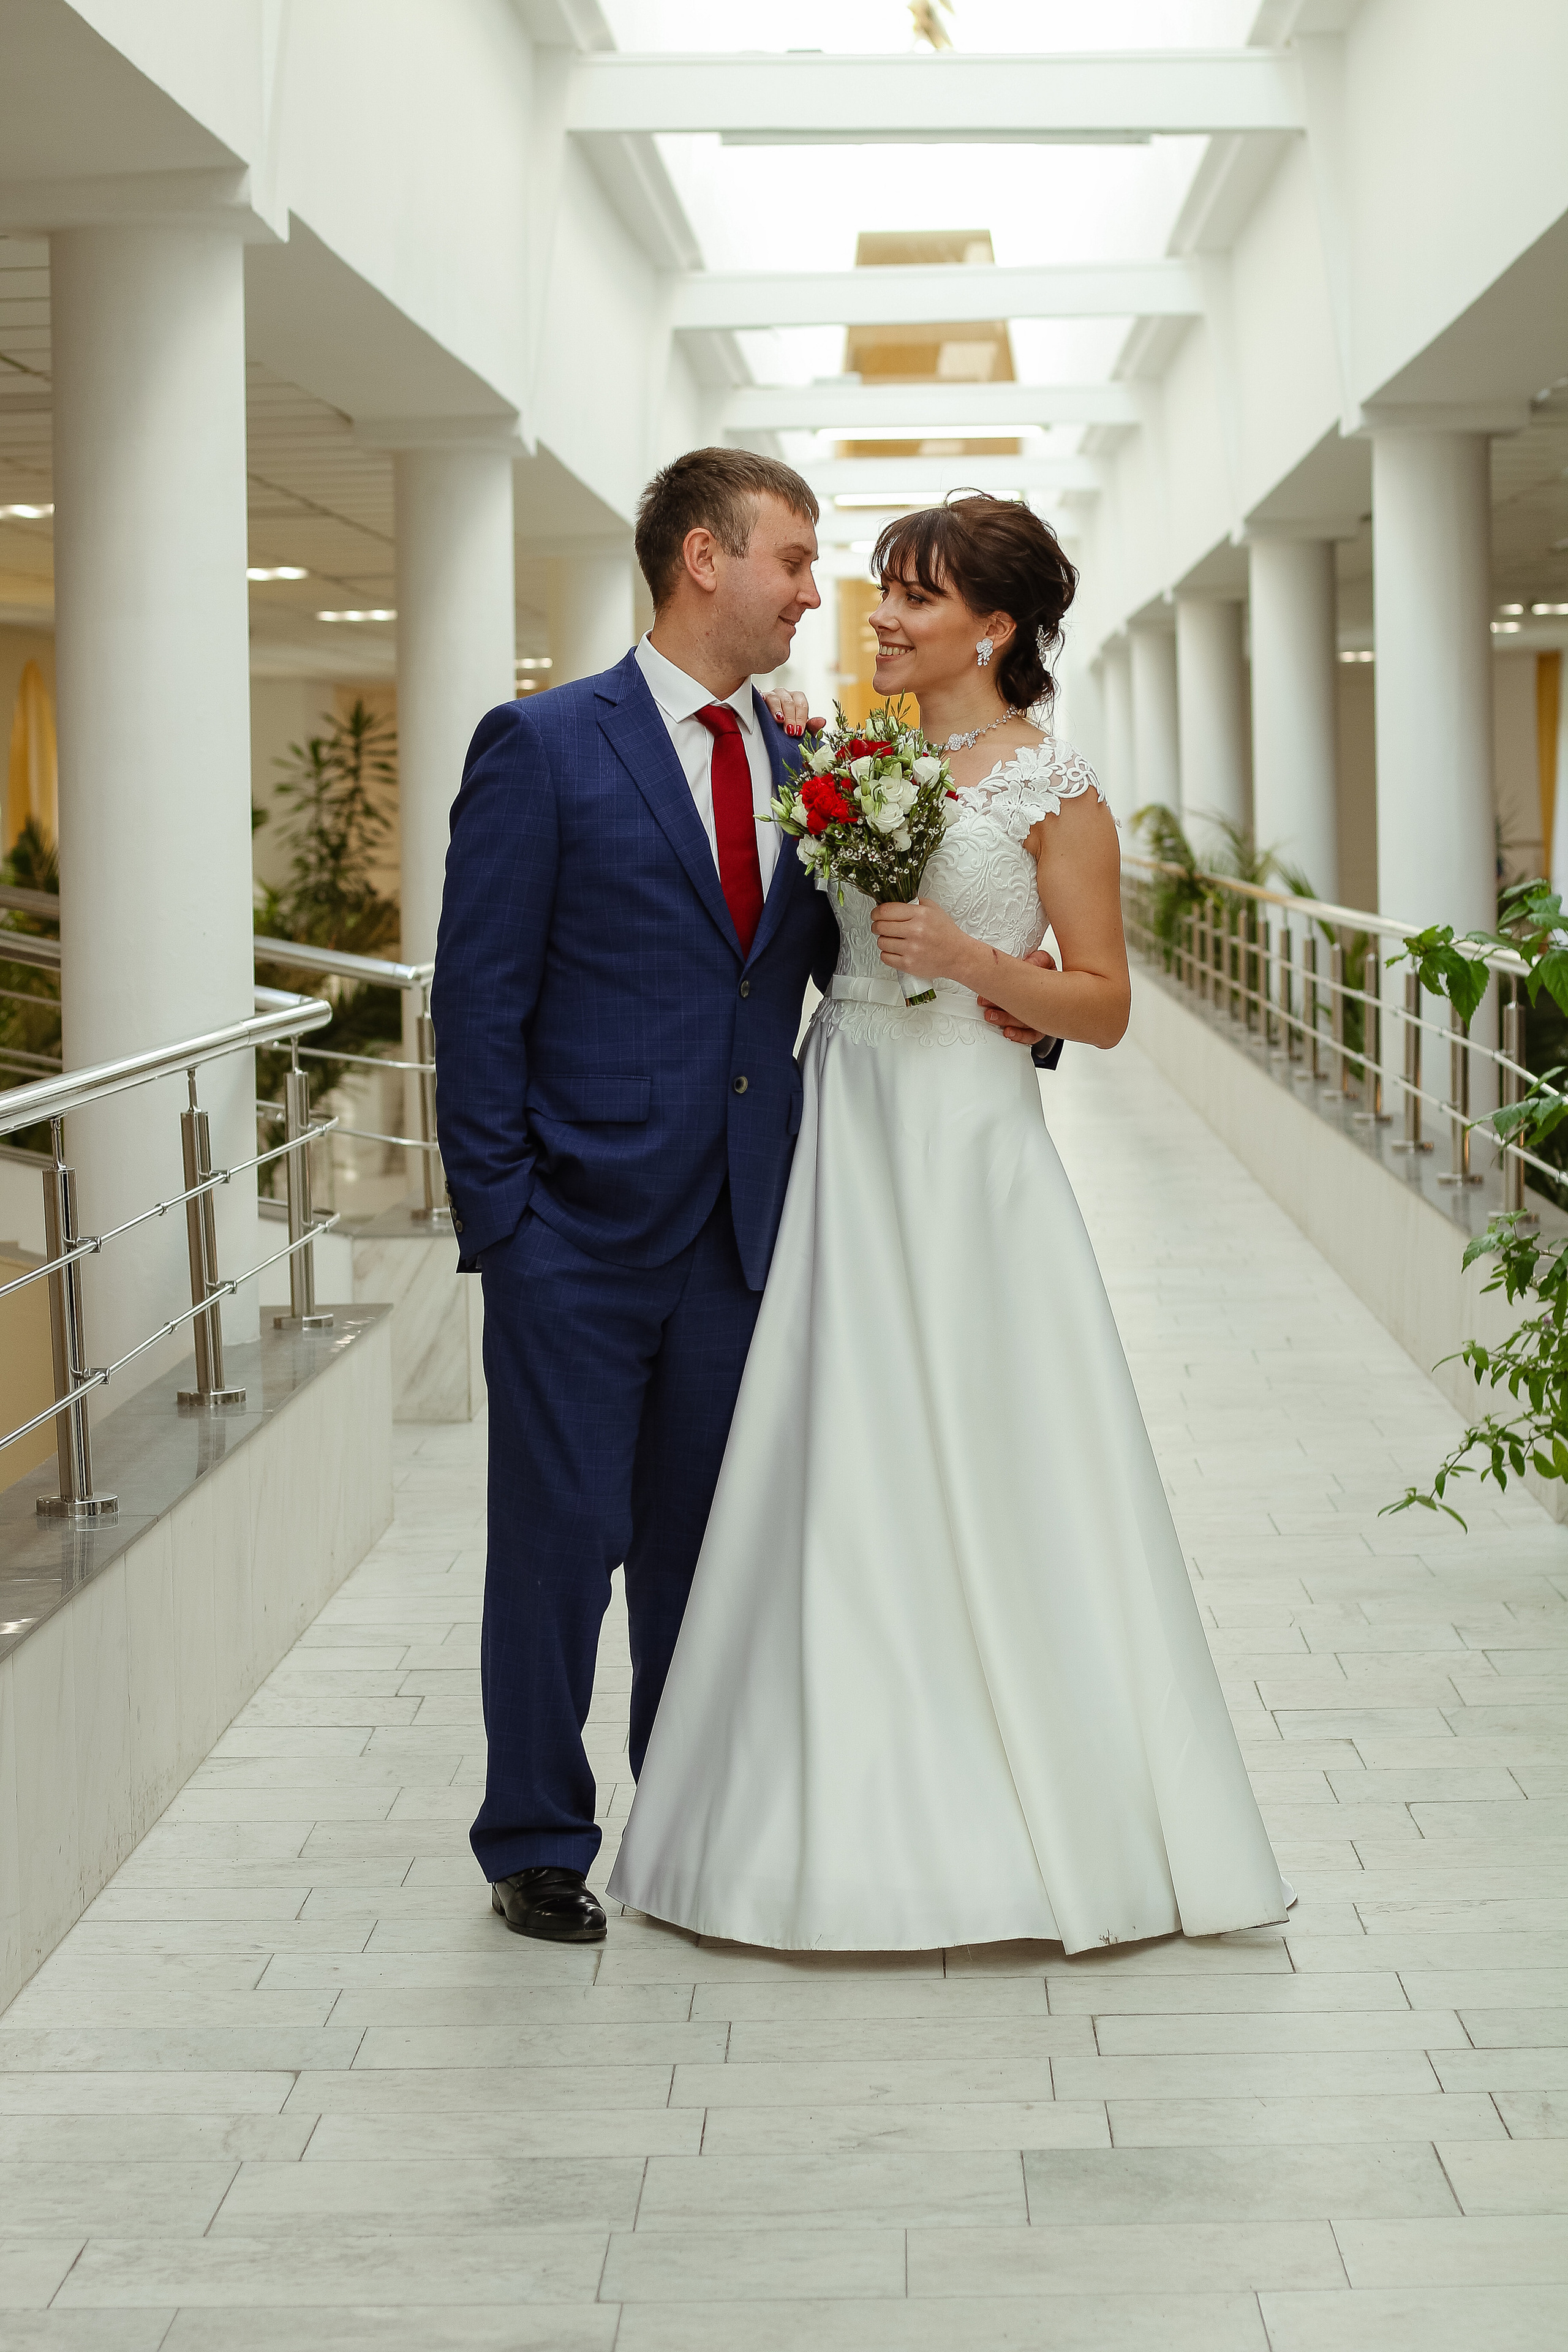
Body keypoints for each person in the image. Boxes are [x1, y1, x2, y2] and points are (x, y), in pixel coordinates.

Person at [609, 493, 1294, 1954]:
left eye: (909, 597)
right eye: (873, 592)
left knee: (990, 1445)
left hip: (965, 1145)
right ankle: (812, 1803)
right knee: (828, 1446)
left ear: (989, 623)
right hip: (839, 1122)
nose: (878, 618)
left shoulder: (1058, 791)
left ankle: (1037, 1812)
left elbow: (1100, 1005)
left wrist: (981, 960)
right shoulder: (855, 760)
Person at [432, 452, 1055, 1945]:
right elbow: (479, 1000)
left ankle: (692, 1813)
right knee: (554, 1545)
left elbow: (830, 958)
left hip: (745, 1223)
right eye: (793, 559)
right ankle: (533, 1836)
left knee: (707, 1547)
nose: (810, 590)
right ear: (703, 559)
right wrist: (503, 1226)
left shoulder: (806, 762)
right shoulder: (541, 744)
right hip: (570, 1233)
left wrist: (1004, 1009)